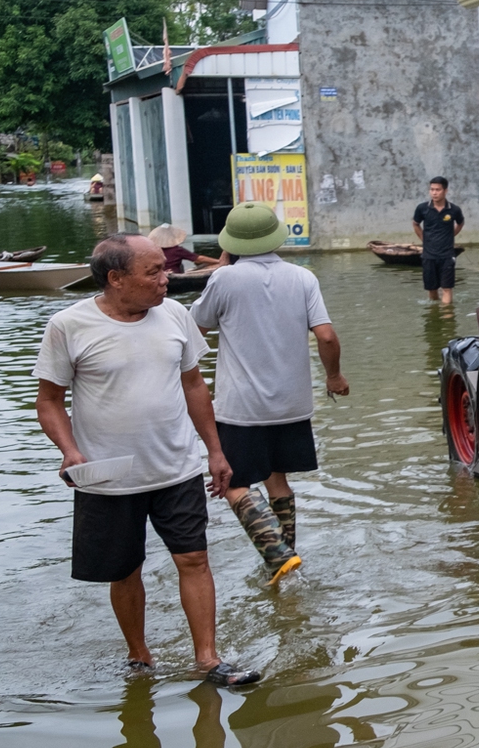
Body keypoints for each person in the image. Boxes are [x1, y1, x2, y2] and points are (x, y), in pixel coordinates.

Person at [33, 233, 259, 684]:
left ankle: (209, 659)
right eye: (153, 271)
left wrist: (215, 451)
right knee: (125, 568)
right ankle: (140, 656)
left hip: (176, 466)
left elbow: (195, 386)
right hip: (108, 474)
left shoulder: (175, 315)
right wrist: (70, 451)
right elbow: (50, 400)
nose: (166, 278)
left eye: (165, 268)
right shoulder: (68, 326)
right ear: (116, 279)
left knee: (194, 559)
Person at [190, 203, 349, 582]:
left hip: (241, 408)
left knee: (233, 483)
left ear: (231, 242)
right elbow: (326, 335)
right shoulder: (303, 277)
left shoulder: (225, 279)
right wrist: (334, 377)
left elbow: (196, 327)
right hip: (293, 405)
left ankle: (277, 554)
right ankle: (284, 561)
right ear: (275, 235)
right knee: (277, 480)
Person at [412, 176, 465, 303]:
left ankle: (447, 317)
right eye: (432, 189)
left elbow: (460, 223)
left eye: (438, 190)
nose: (434, 193)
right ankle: (435, 314)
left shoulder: (454, 210)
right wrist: (424, 238)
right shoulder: (422, 208)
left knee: (447, 288)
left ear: (445, 191)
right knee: (432, 289)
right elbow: (415, 223)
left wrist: (450, 236)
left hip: (447, 254)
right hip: (429, 255)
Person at [147, 224, 220, 274]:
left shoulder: (154, 250)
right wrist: (218, 261)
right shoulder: (177, 250)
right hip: (174, 273)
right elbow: (198, 259)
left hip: (160, 273)